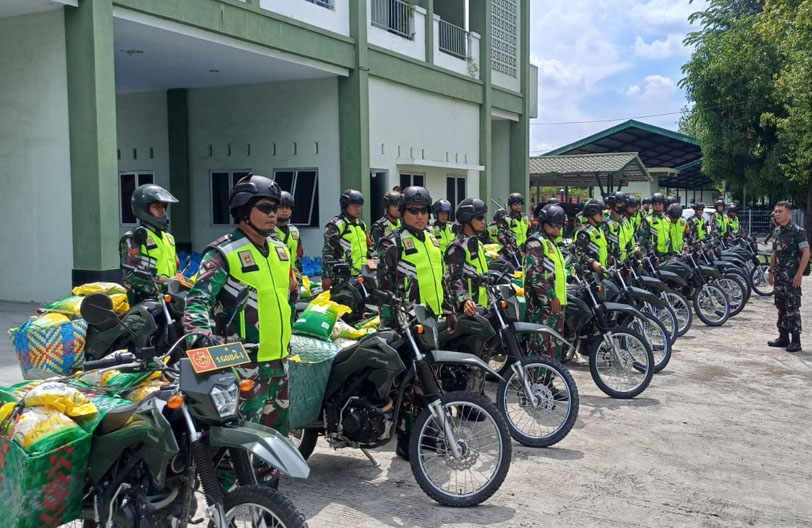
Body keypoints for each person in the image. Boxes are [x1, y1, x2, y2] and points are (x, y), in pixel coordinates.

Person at [183, 174, 297, 440]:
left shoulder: (281, 251)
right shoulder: (224, 252)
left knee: (275, 442)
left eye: (276, 206)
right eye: (266, 208)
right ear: (244, 210)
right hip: (243, 367)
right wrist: (200, 338)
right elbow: (198, 300)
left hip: (279, 363)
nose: (274, 214)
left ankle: (267, 485)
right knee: (239, 445)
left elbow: (290, 294)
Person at [377, 186, 455, 460]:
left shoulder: (432, 241)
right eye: (413, 211)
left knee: (431, 379)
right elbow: (384, 288)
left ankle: (427, 432)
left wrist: (449, 310)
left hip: (431, 322)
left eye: (424, 211)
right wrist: (394, 324)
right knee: (409, 384)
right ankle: (407, 440)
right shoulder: (392, 242)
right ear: (402, 212)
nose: (420, 216)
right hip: (406, 325)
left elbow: (441, 279)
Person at [120, 184, 181, 305]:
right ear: (143, 209)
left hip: (170, 300)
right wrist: (163, 283)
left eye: (163, 206)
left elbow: (175, 269)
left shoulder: (169, 238)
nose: (162, 211)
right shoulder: (133, 237)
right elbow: (131, 276)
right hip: (145, 302)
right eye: (156, 206)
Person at [524, 204, 568, 360]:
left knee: (555, 346)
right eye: (553, 225)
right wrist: (551, 297)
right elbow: (534, 275)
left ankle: (548, 382)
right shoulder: (536, 242)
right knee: (541, 346)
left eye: (559, 226)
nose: (557, 229)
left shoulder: (552, 243)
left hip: (557, 304)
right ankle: (536, 382)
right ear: (543, 223)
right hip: (542, 306)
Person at [767, 201, 809, 352]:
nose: (777, 214)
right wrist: (771, 272)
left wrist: (799, 275)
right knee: (781, 306)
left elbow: (806, 253)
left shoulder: (798, 231)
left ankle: (796, 340)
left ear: (789, 213)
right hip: (779, 276)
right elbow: (773, 253)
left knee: (792, 307)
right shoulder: (777, 231)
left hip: (792, 278)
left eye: (780, 211)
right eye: (776, 211)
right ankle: (783, 337)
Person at [321, 189, 369, 294]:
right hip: (342, 277)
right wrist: (327, 276)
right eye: (354, 206)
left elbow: (368, 247)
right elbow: (328, 252)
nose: (358, 210)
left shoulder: (361, 225)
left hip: (363, 275)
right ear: (345, 205)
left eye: (360, 206)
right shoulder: (336, 225)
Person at [445, 198, 490, 311]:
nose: (483, 221)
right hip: (467, 310)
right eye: (479, 218)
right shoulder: (457, 246)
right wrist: (464, 300)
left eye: (483, 217)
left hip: (481, 305)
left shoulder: (477, 243)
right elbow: (452, 279)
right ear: (467, 219)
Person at [275, 190, 304, 278]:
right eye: (281, 207)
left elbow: (299, 254)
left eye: (287, 207)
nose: (284, 210)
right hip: (276, 276)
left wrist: (299, 273)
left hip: (293, 277)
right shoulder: (268, 231)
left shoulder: (294, 231)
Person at [574, 199, 608, 272]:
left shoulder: (599, 230)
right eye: (600, 213)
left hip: (601, 272)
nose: (602, 215)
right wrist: (592, 262)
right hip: (589, 275)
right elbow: (579, 254)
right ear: (592, 213)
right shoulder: (584, 232)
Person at [604, 192, 632, 263]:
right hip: (613, 264)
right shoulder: (606, 223)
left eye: (624, 203)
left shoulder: (624, 221)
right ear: (613, 204)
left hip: (625, 261)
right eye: (620, 203)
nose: (623, 205)